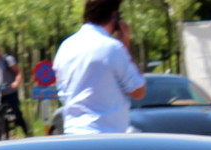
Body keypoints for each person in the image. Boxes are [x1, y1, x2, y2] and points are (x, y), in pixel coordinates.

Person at [52, 0, 145, 135]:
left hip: (73, 134)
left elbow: (62, 92)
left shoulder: (65, 47)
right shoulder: (113, 48)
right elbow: (138, 91)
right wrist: (126, 46)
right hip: (108, 136)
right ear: (115, 16)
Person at [0, 44, 31, 138]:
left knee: (16, 112)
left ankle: (26, 132)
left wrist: (16, 82)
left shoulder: (7, 60)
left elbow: (18, 72)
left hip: (10, 92)